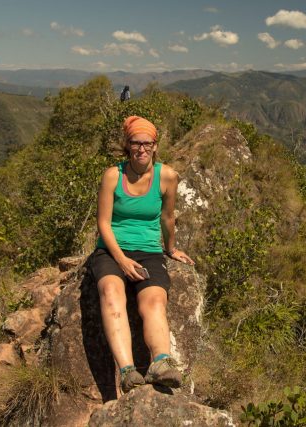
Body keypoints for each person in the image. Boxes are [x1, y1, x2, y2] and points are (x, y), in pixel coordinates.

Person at [90, 115, 194, 393]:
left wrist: (170, 249)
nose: (141, 149)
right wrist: (121, 260)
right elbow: (103, 223)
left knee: (154, 301)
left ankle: (160, 362)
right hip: (112, 250)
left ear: (155, 145)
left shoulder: (167, 176)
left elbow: (168, 217)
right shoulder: (113, 175)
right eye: (136, 143)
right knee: (112, 293)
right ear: (127, 145)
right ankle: (127, 371)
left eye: (147, 143)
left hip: (149, 251)